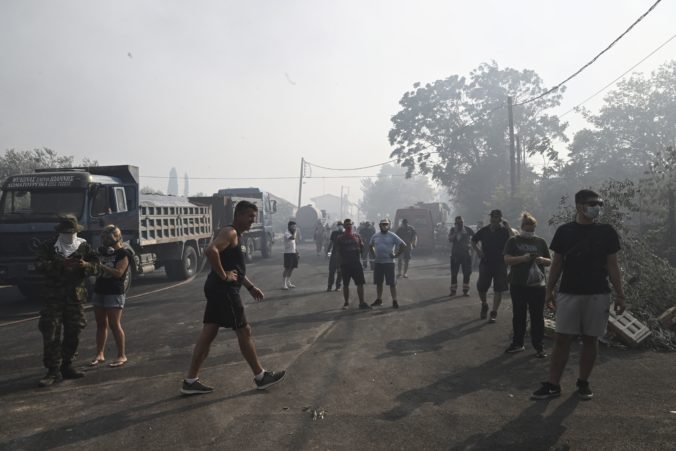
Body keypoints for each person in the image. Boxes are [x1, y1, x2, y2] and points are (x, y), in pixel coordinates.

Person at [181, 201, 286, 395]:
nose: (252, 221)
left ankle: (190, 381)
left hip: (218, 289)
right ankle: (261, 376)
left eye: (254, 218)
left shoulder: (236, 235)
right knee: (243, 330)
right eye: (249, 217)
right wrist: (224, 276)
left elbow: (234, 268)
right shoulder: (230, 232)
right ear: (238, 215)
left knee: (209, 333)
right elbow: (211, 251)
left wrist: (250, 286)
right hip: (224, 291)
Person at [532, 190, 626, 401]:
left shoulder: (607, 232)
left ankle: (583, 382)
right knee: (561, 339)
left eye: (599, 203)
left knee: (591, 340)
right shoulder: (565, 231)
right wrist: (549, 290)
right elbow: (557, 263)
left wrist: (620, 295)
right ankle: (553, 384)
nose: (597, 207)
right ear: (579, 206)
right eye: (592, 203)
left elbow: (613, 266)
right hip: (568, 293)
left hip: (598, 294)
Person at [36, 215, 100, 387]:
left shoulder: (83, 246)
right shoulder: (49, 247)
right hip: (53, 298)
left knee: (74, 330)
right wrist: (59, 265)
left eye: (72, 232)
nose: (69, 236)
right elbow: (39, 266)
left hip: (75, 297)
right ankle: (53, 371)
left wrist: (85, 265)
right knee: (51, 332)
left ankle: (67, 365)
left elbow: (97, 265)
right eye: (66, 233)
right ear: (60, 232)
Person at [503, 213, 551, 357]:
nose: (529, 232)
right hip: (518, 283)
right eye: (527, 229)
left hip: (537, 285)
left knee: (537, 316)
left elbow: (550, 261)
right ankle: (518, 343)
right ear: (522, 227)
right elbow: (507, 260)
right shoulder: (513, 242)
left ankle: (539, 346)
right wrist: (523, 258)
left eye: (532, 229)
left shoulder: (540, 242)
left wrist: (542, 260)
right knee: (519, 315)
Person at [90, 225, 132, 368]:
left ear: (116, 238)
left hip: (114, 292)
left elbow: (118, 273)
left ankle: (121, 355)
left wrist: (100, 266)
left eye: (108, 238)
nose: (105, 241)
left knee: (114, 325)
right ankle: (99, 354)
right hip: (99, 290)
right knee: (101, 324)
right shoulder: (102, 252)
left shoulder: (123, 253)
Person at [471, 210, 511, 323]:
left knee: (498, 289)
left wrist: (508, 227)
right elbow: (473, 240)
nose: (493, 219)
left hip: (500, 263)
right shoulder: (484, 230)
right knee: (481, 287)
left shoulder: (504, 231)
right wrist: (478, 251)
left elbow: (514, 240)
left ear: (500, 219)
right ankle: (484, 304)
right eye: (492, 217)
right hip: (486, 263)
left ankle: (494, 312)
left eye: (496, 217)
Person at [369, 218, 406, 308]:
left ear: (389, 225)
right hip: (378, 263)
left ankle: (394, 300)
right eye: (383, 224)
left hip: (389, 262)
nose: (385, 226)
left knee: (392, 283)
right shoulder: (375, 236)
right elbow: (370, 245)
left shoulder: (392, 235)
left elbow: (403, 245)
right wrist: (374, 255)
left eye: (386, 224)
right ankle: (379, 299)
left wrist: (396, 255)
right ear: (380, 225)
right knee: (378, 283)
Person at [334, 218, 370, 310]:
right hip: (345, 265)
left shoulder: (357, 236)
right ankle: (346, 303)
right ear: (344, 226)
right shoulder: (340, 238)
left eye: (350, 224)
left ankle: (362, 303)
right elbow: (337, 253)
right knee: (346, 284)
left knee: (360, 284)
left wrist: (362, 253)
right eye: (346, 225)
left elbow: (362, 248)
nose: (348, 226)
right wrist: (338, 266)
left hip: (356, 264)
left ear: (352, 225)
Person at [448, 216, 475, 296]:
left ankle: (466, 290)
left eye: (461, 223)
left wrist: (471, 245)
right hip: (455, 255)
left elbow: (475, 237)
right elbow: (450, 239)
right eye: (457, 223)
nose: (460, 224)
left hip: (466, 255)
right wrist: (456, 233)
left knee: (467, 273)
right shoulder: (453, 230)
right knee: (454, 273)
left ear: (463, 222)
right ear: (455, 223)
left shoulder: (467, 229)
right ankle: (453, 290)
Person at [326, 221, 344, 292]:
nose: (340, 226)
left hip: (342, 256)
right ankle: (329, 286)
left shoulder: (345, 234)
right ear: (337, 226)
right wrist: (328, 254)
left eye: (341, 225)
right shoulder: (334, 233)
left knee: (340, 272)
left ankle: (338, 286)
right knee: (331, 271)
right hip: (333, 255)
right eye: (339, 225)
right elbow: (330, 244)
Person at [282, 221, 299, 290]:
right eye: (293, 226)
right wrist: (295, 231)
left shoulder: (292, 232)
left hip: (293, 252)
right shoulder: (287, 233)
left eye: (295, 226)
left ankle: (288, 282)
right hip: (288, 253)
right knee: (287, 268)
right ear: (289, 226)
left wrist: (297, 251)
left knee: (292, 268)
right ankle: (284, 284)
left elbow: (294, 243)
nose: (295, 228)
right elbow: (292, 238)